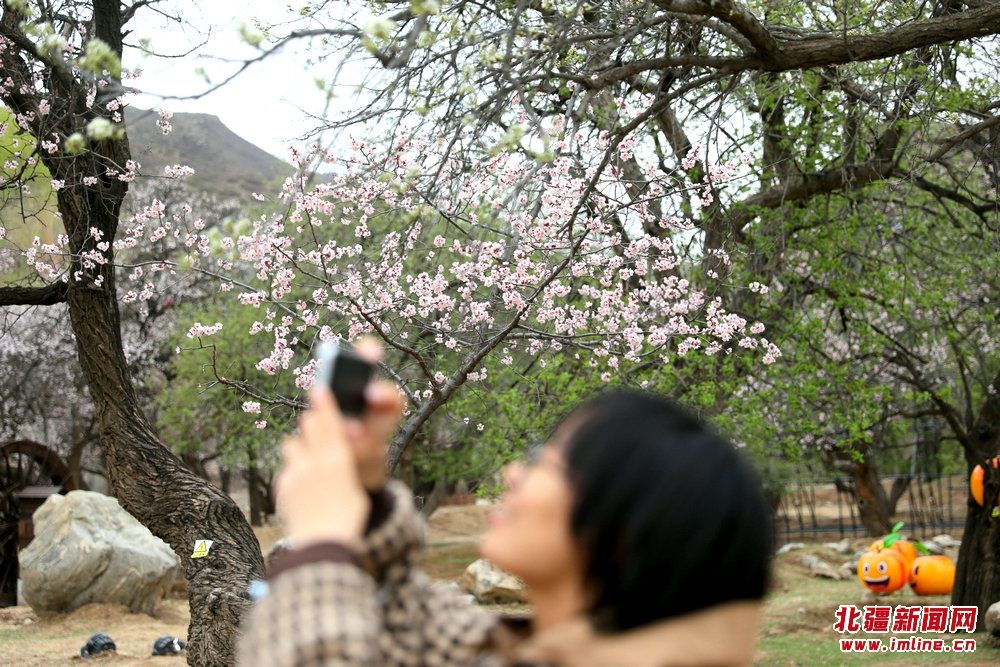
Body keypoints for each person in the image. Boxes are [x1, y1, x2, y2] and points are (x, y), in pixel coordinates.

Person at [238, 340, 773, 666]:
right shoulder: (536, 649)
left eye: (548, 462)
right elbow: (407, 628)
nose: (513, 473)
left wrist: (323, 545)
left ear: (624, 527)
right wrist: (365, 498)